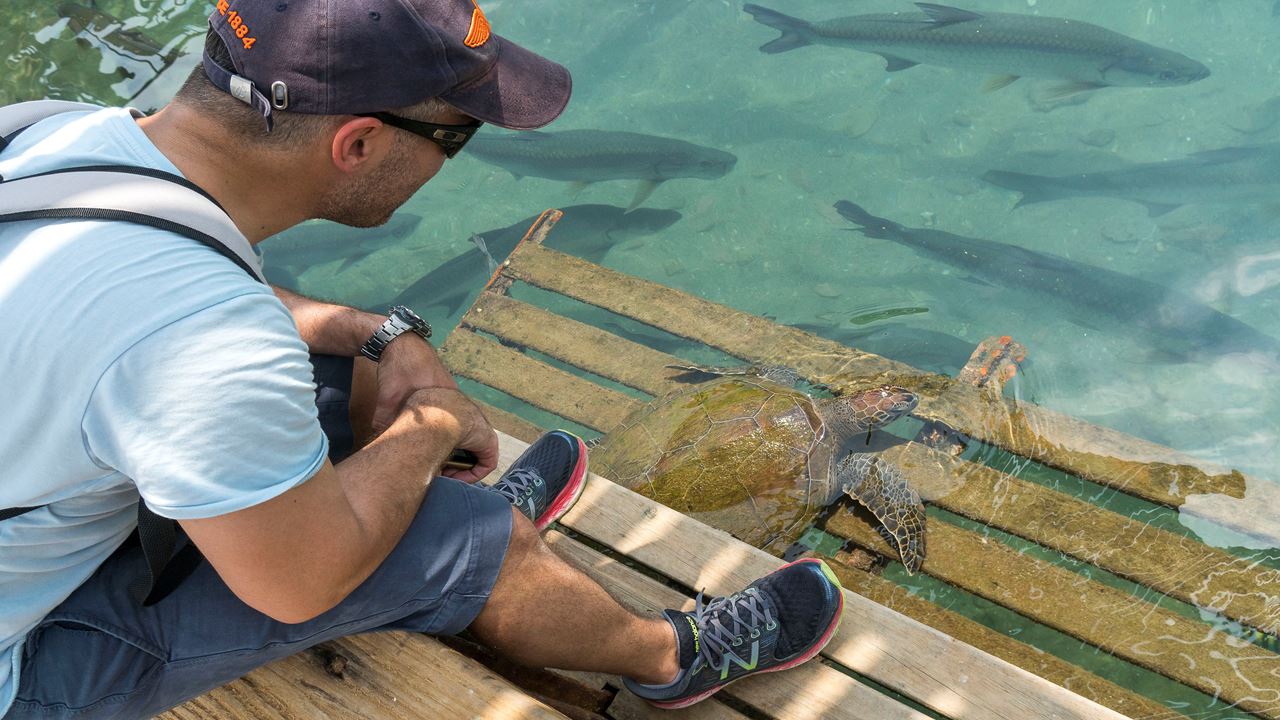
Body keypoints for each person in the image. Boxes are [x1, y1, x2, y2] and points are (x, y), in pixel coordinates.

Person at [0, 1, 845, 717]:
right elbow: (299, 581)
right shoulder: (204, 342)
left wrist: (367, 332)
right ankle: (668, 657)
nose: (454, 156)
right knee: (467, 538)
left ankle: (443, 538)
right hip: (22, 671)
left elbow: (140, 312)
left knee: (337, 373)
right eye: (459, 134)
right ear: (358, 144)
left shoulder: (49, 138)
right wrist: (435, 423)